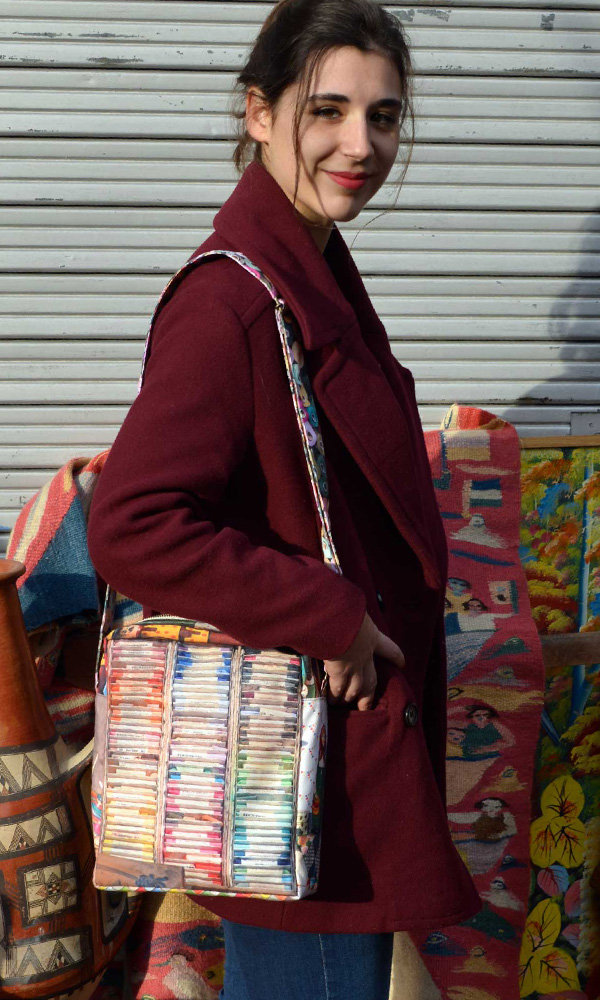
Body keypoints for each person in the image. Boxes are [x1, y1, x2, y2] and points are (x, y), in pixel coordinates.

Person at [87, 0, 481, 996]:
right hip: (300, 766)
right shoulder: (232, 300)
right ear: (257, 112)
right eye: (329, 110)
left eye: (385, 116)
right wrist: (328, 613)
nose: (362, 145)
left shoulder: (311, 271)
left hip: (337, 761)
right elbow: (133, 523)